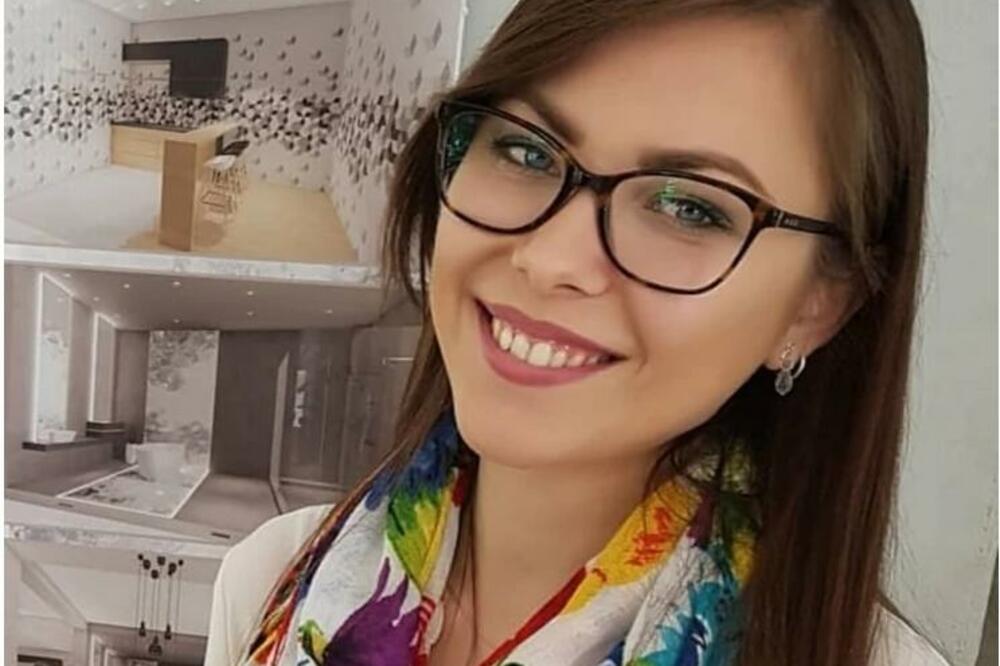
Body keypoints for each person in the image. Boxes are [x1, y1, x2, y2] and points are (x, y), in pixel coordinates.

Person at [206, 0, 951, 664]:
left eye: (688, 207)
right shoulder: (271, 583)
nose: (550, 259)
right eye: (525, 150)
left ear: (816, 306)